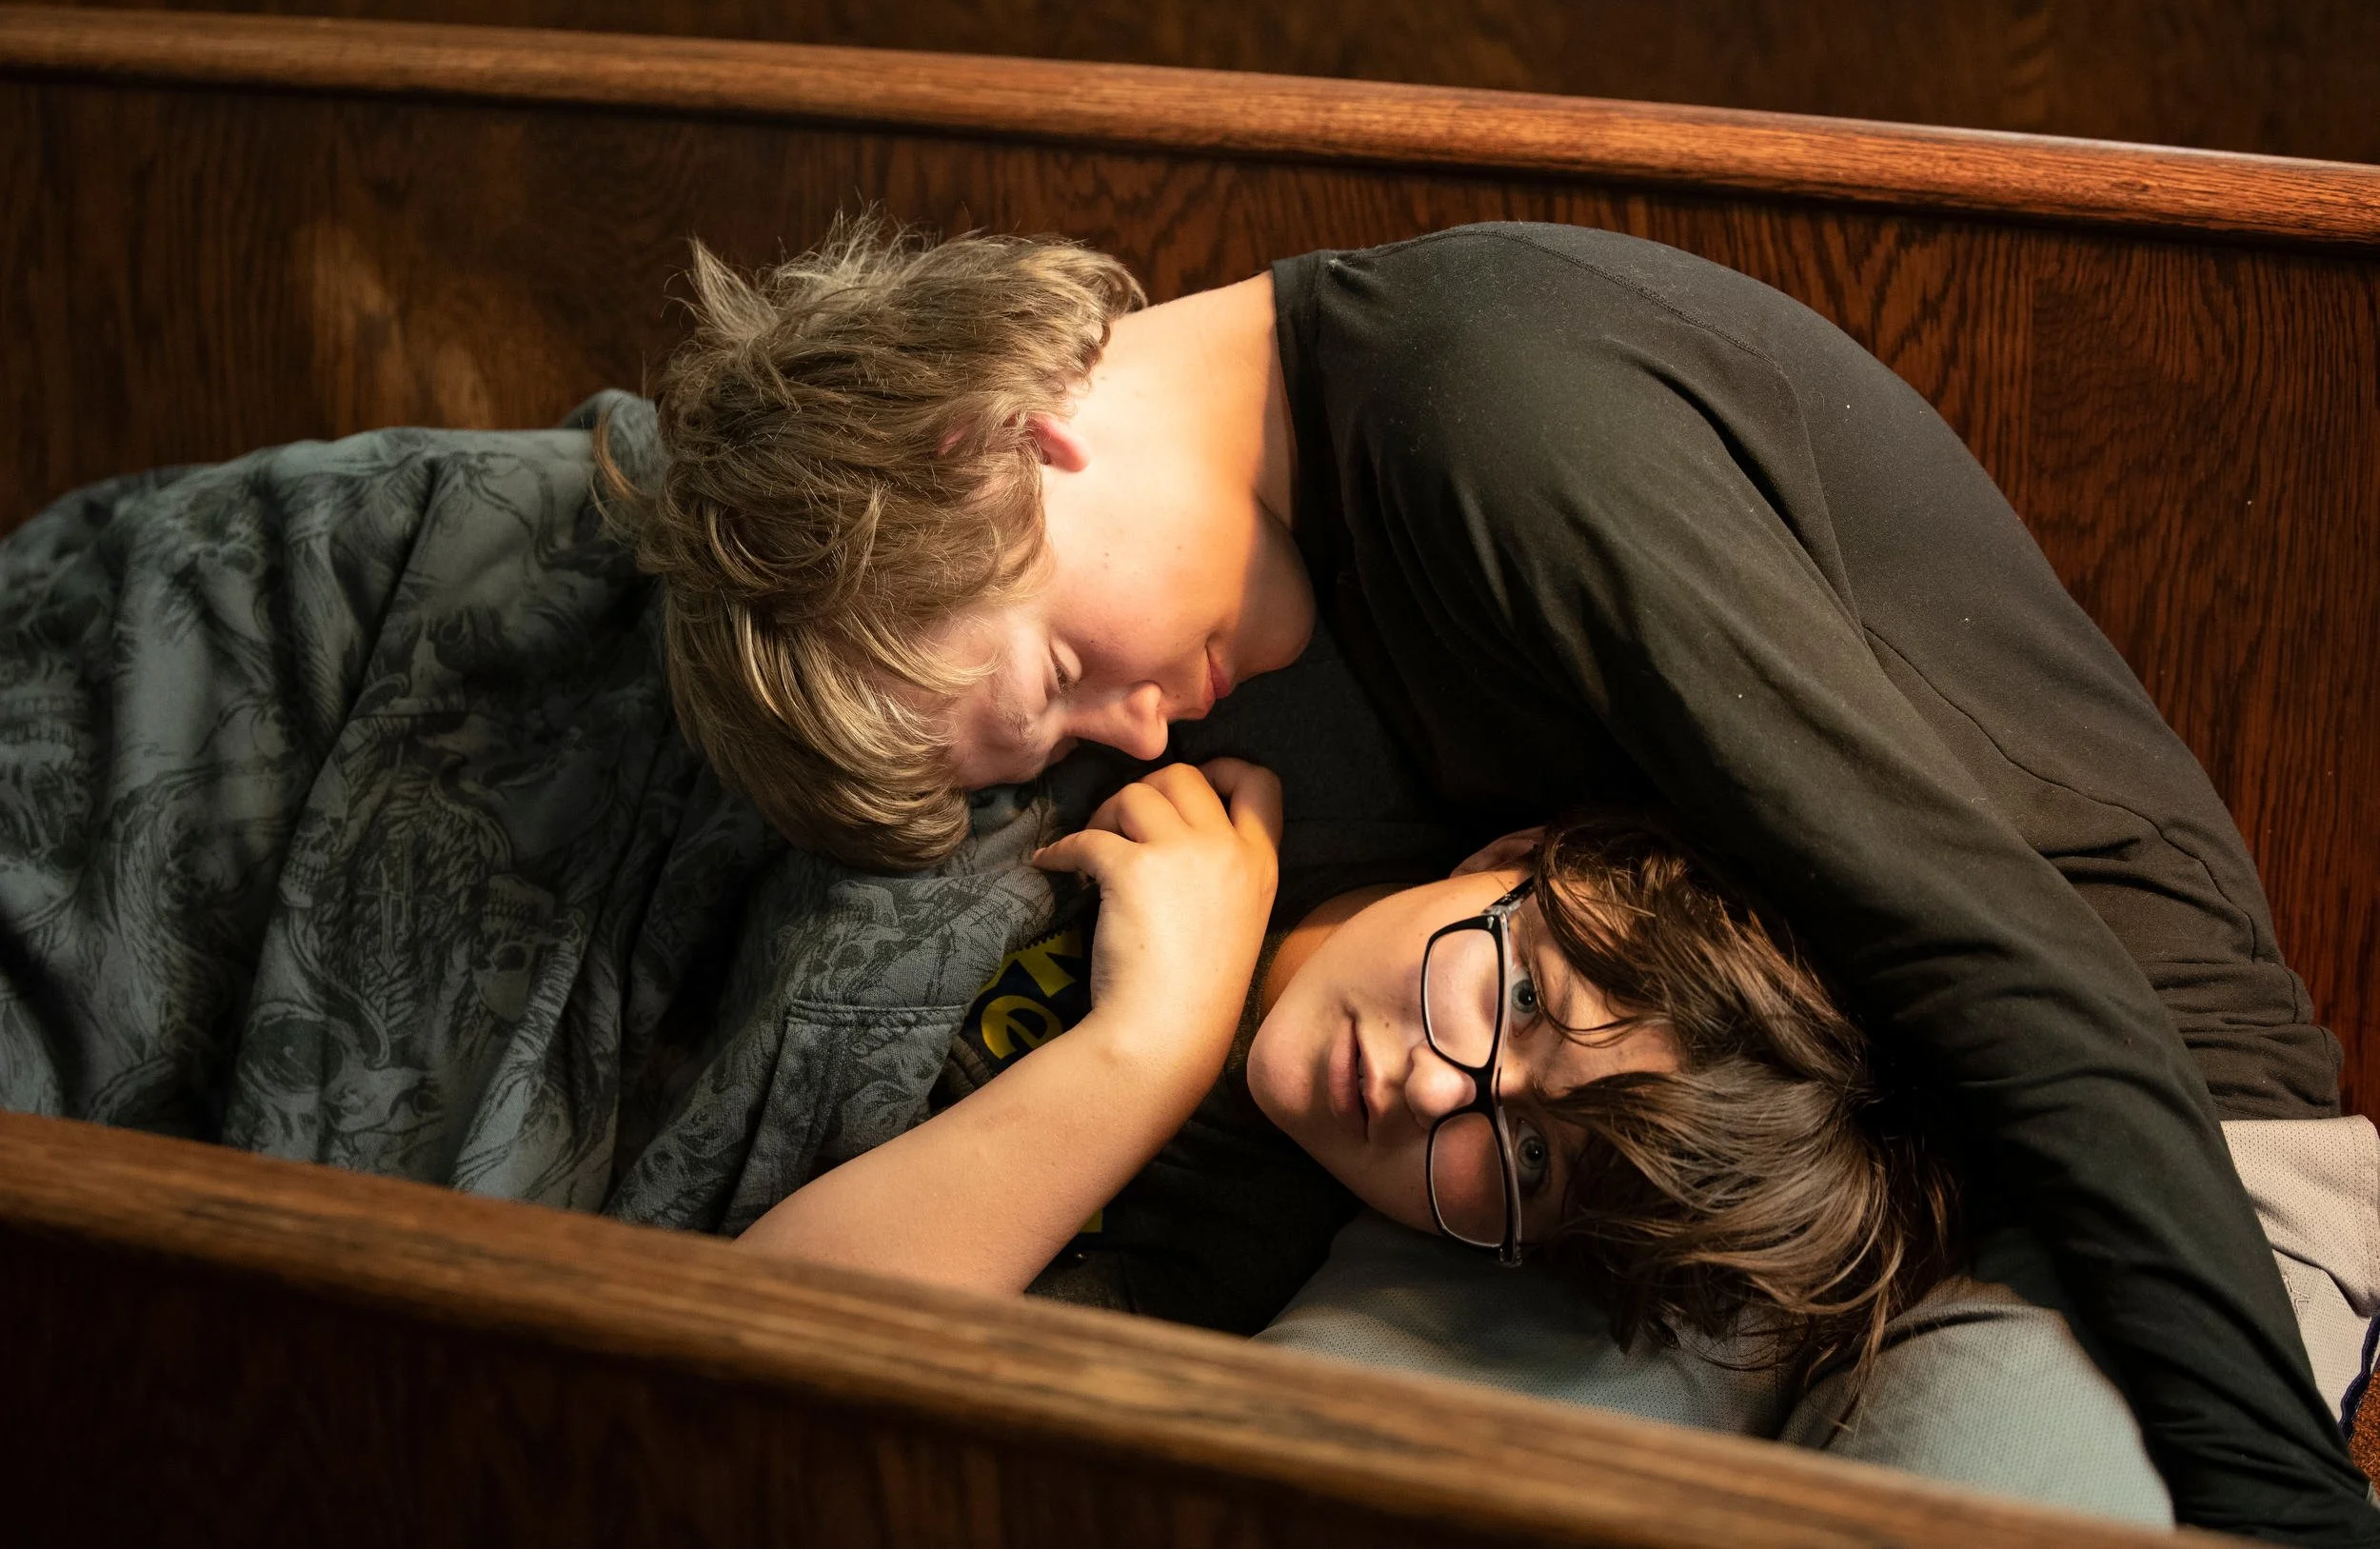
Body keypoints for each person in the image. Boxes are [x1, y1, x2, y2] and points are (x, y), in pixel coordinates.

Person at [606, 215, 2371, 1539]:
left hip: (2134, 1140)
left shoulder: (1499, 416)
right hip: (1628, 1176)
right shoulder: (1263, 655)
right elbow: (775, 1354)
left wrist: (2284, 1497)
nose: (1128, 729)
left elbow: (1992, 952)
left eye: (1068, 670)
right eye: (1061, 722)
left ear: (1002, 441)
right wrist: (1153, 1051)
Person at [738, 759, 1959, 1391]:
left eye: (1530, 1159)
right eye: (1519, 999)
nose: (1436, 1092)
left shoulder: (1221, 1260)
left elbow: (753, 1349)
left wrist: (1150, 1047)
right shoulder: (1294, 753)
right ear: (1515, 857)